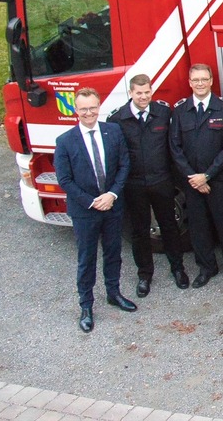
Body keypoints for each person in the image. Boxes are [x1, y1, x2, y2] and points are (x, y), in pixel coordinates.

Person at [54, 88, 135, 333]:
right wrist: (92, 201)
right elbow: (65, 180)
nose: (89, 113)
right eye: (83, 109)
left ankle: (114, 293)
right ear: (75, 111)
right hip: (85, 210)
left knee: (113, 252)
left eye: (92, 107)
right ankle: (86, 306)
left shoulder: (113, 131)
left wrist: (111, 195)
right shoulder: (65, 141)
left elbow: (124, 165)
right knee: (86, 258)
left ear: (99, 107)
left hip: (112, 205)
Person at [108, 73, 187, 296]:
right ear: (131, 93)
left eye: (147, 92)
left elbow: (172, 146)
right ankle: (144, 275)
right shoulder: (118, 119)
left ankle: (178, 268)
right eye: (139, 93)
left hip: (161, 181)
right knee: (140, 232)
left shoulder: (163, 113)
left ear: (152, 92)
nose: (143, 97)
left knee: (170, 226)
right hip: (134, 185)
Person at [168, 64, 223, 289]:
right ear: (190, 83)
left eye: (204, 79)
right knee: (198, 227)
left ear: (211, 81)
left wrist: (208, 175)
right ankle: (206, 268)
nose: (200, 83)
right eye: (196, 80)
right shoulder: (181, 110)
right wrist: (193, 177)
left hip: (217, 180)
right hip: (191, 182)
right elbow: (175, 147)